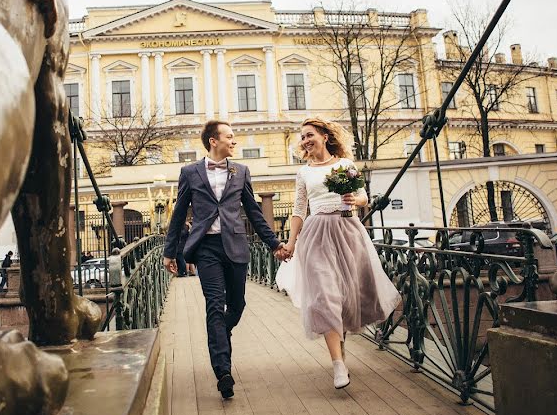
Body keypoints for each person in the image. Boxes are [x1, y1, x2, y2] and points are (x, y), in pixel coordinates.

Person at [163, 120, 288, 399]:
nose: (234, 141)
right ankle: (223, 372)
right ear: (213, 141)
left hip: (235, 246)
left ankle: (219, 333)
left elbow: (254, 212)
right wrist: (169, 251)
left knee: (237, 304)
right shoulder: (190, 172)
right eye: (229, 137)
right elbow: (179, 213)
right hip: (206, 248)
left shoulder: (241, 171)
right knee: (214, 306)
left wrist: (274, 243)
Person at [276, 118, 401, 389]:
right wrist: (291, 244)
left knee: (346, 296)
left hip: (347, 230)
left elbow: (364, 197)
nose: (306, 140)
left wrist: (356, 200)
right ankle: (338, 365)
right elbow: (299, 211)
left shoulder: (345, 165)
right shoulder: (304, 173)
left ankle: (339, 347)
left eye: (310, 135)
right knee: (325, 295)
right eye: (302, 137)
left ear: (324, 135)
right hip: (317, 234)